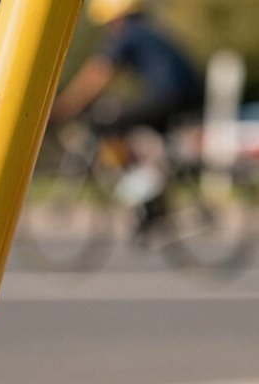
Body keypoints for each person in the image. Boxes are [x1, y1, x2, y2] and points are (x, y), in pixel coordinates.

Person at [52, 0, 204, 235]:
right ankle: (153, 201)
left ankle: (143, 190)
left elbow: (96, 76)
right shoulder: (146, 30)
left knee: (109, 125)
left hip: (172, 96)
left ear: (115, 18)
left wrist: (65, 107)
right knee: (140, 134)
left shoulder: (128, 35)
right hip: (185, 95)